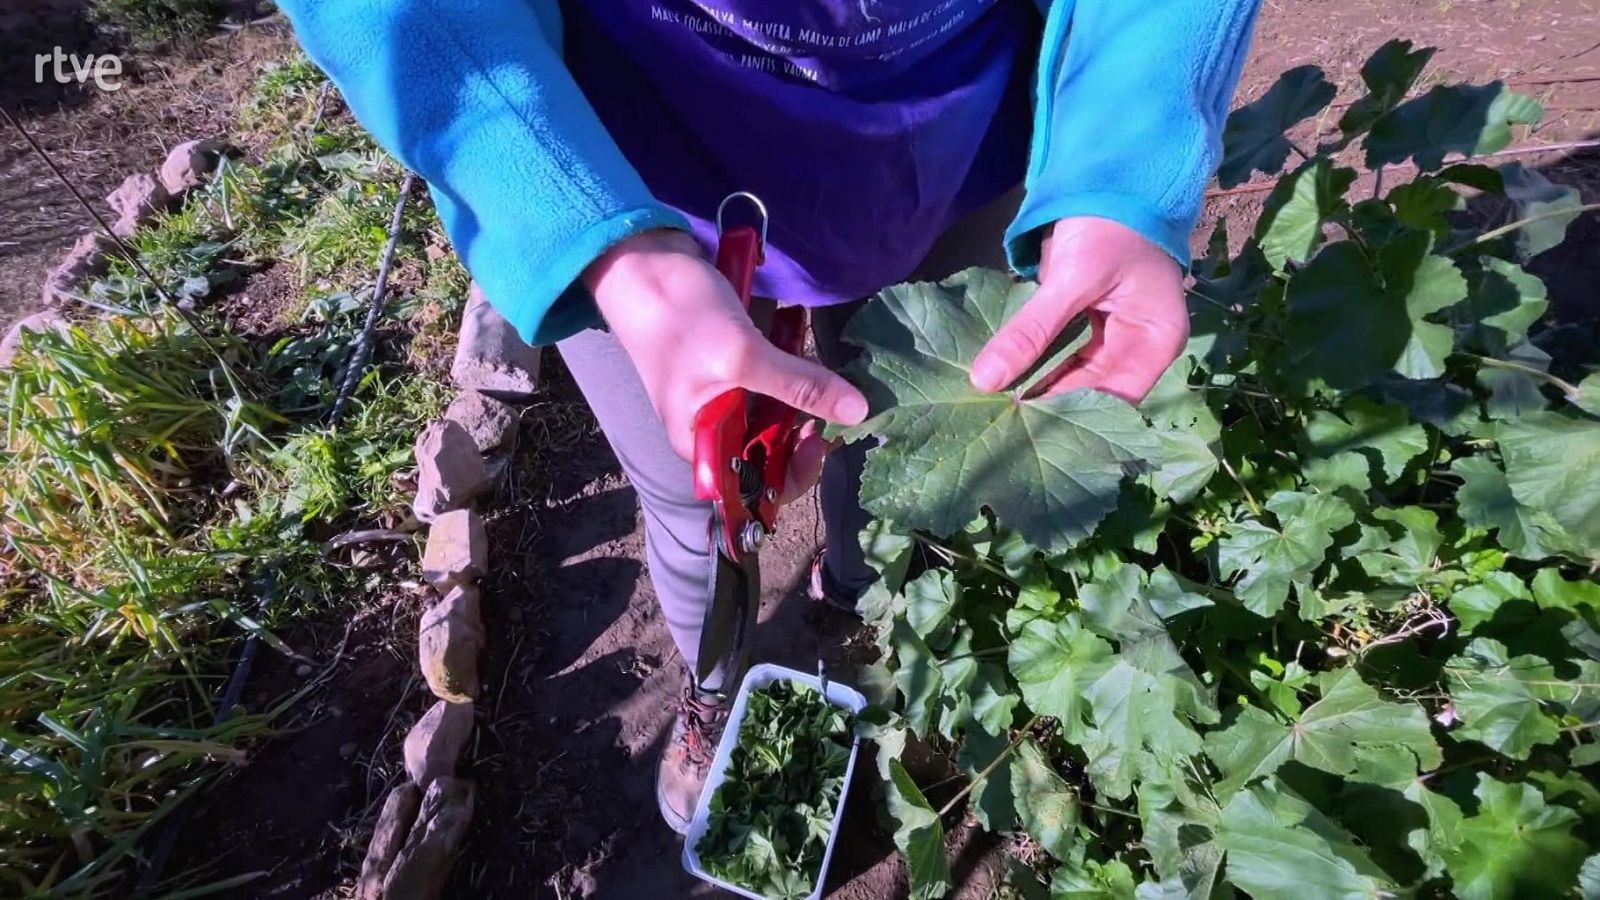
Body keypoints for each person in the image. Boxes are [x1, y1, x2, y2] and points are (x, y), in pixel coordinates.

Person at [279, 0, 1261, 833]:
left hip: (953, 148)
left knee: (892, 442)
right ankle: (716, 685)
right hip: (628, 171)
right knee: (691, 486)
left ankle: (861, 618)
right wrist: (595, 244)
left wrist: (1124, 167)